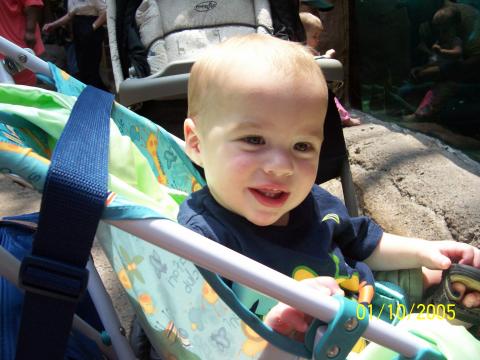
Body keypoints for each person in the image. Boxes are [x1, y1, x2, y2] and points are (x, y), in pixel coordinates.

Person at [178, 34, 480, 337]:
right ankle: (444, 317)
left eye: (302, 146)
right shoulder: (202, 239)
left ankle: (443, 303)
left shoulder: (311, 201)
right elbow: (204, 333)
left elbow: (366, 243)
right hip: (310, 342)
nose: (282, 167)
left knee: (430, 273)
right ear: (196, 144)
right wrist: (279, 324)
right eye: (254, 140)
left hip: (367, 297)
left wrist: (426, 250)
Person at [299, 11, 361, 127]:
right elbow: (313, 61)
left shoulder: (306, 50)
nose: (318, 40)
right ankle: (345, 119)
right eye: (314, 36)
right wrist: (326, 56)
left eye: (318, 36)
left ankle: (343, 118)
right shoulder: (302, 51)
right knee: (332, 100)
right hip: (309, 90)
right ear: (302, 34)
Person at [404, 6, 464, 121]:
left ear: (456, 27)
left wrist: (441, 51)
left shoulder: (455, 40)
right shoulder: (440, 42)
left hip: (451, 80)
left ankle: (420, 116)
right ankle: (417, 112)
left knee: (434, 97)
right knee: (423, 92)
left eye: (445, 31)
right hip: (439, 78)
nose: (441, 34)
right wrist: (421, 68)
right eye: (438, 31)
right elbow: (434, 60)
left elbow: (457, 53)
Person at [42, 0, 107, 90]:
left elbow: (105, 12)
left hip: (92, 26)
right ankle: (90, 91)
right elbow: (70, 15)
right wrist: (53, 25)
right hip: (78, 27)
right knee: (82, 65)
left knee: (91, 66)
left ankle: (99, 93)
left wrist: (92, 27)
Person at [0, 0, 45, 85]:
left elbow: (33, 4)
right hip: (6, 40)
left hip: (16, 42)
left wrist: (30, 31)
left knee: (22, 85)